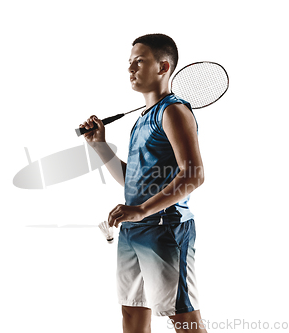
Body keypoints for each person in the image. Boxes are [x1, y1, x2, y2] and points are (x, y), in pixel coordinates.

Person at [79, 33, 207, 333]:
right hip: (134, 230)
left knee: (184, 321)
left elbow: (194, 175)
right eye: (129, 62)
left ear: (163, 68)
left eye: (139, 61)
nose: (131, 69)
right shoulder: (143, 118)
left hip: (165, 228)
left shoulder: (173, 111)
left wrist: (141, 210)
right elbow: (131, 181)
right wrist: (100, 145)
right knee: (133, 316)